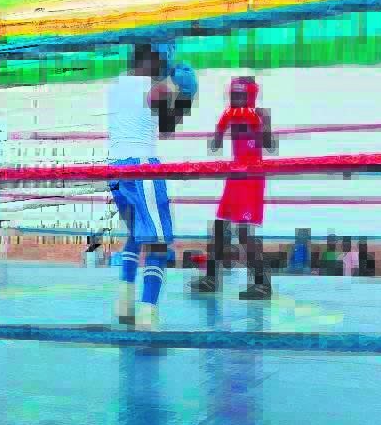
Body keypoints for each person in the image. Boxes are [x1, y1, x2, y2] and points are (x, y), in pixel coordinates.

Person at [108, 42, 196, 331]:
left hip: (115, 169)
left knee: (136, 234)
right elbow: (168, 126)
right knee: (157, 241)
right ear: (153, 57)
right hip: (142, 167)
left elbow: (152, 119)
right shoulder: (151, 87)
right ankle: (148, 314)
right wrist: (184, 92)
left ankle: (124, 304)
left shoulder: (116, 85)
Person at [191, 76, 275, 299]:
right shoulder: (230, 116)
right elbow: (215, 146)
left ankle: (262, 283)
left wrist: (264, 125)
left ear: (249, 95)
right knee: (220, 228)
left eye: (240, 95)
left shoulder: (259, 115)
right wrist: (220, 129)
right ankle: (211, 279)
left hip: (252, 177)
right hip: (235, 176)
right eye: (234, 94)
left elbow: (269, 146)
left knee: (244, 233)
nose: (236, 98)